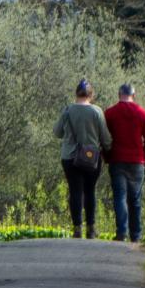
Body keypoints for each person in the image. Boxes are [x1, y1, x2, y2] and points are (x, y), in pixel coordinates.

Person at [57, 80, 114, 238]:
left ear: (76, 94)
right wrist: (108, 149)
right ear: (91, 95)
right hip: (91, 157)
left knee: (75, 191)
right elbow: (105, 137)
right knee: (90, 191)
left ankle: (77, 228)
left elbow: (57, 132)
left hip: (69, 157)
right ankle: (91, 228)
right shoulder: (96, 111)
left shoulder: (68, 110)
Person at [103, 81, 145, 243]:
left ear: (119, 95)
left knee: (120, 197)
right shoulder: (143, 113)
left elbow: (104, 138)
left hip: (117, 160)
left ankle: (121, 232)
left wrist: (107, 156)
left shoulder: (110, 113)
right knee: (135, 199)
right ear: (134, 95)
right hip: (136, 161)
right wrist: (143, 157)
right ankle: (136, 235)